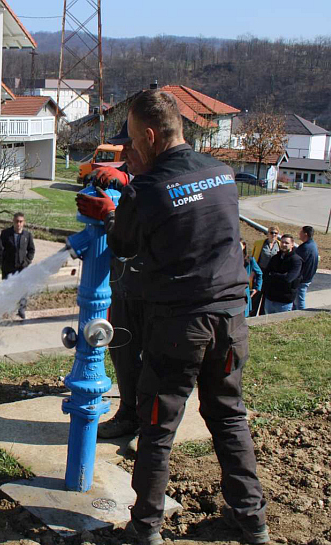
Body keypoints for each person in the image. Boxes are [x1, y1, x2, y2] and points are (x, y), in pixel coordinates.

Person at [76, 89, 268, 545]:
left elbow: (123, 245)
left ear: (149, 133)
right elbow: (188, 210)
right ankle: (252, 523)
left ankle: (145, 530)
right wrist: (130, 188)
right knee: (228, 417)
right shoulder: (220, 173)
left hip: (181, 326)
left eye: (133, 143)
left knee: (157, 427)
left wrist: (112, 213)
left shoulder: (148, 189)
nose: (129, 152)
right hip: (231, 319)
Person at [86, 121, 147, 443]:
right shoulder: (129, 170)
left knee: (151, 357)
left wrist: (115, 205)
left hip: (151, 286)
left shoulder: (161, 178)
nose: (124, 153)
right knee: (122, 349)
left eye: (130, 146)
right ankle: (129, 412)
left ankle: (149, 425)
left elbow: (143, 225)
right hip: (123, 284)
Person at [0, 212, 35, 319]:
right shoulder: (5, 234)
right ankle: (7, 309)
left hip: (22, 268)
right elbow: (0, 249)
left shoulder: (27, 235)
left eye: (21, 222)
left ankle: (21, 309)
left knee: (23, 289)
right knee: (7, 289)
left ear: (24, 223)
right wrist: (2, 262)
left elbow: (31, 250)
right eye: (16, 221)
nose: (18, 224)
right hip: (8, 268)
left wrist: (27, 261)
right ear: (13, 222)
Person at [262, 234, 303, 314]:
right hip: (270, 299)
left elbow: (289, 278)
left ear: (292, 244)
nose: (284, 245)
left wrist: (273, 275)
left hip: (284, 301)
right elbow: (266, 274)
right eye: (282, 242)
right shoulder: (275, 258)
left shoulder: (296, 261)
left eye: (286, 243)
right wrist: (279, 276)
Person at [249, 226, 279, 316]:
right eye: (271, 232)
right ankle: (251, 315)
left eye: (275, 233)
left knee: (266, 298)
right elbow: (253, 258)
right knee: (256, 295)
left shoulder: (279, 245)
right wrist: (253, 272)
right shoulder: (259, 244)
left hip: (271, 275)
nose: (273, 235)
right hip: (260, 272)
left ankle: (262, 316)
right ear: (267, 233)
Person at [294, 225, 319, 310]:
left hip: (302, 279)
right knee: (297, 300)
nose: (299, 233)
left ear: (305, 234)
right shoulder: (312, 245)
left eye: (300, 232)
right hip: (307, 278)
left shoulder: (306, 247)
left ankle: (301, 315)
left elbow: (296, 261)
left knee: (300, 301)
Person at [241, 239, 263, 318]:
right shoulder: (230, 259)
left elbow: (259, 273)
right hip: (232, 291)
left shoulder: (249, 259)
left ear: (244, 246)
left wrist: (257, 288)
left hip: (245, 291)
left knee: (245, 315)